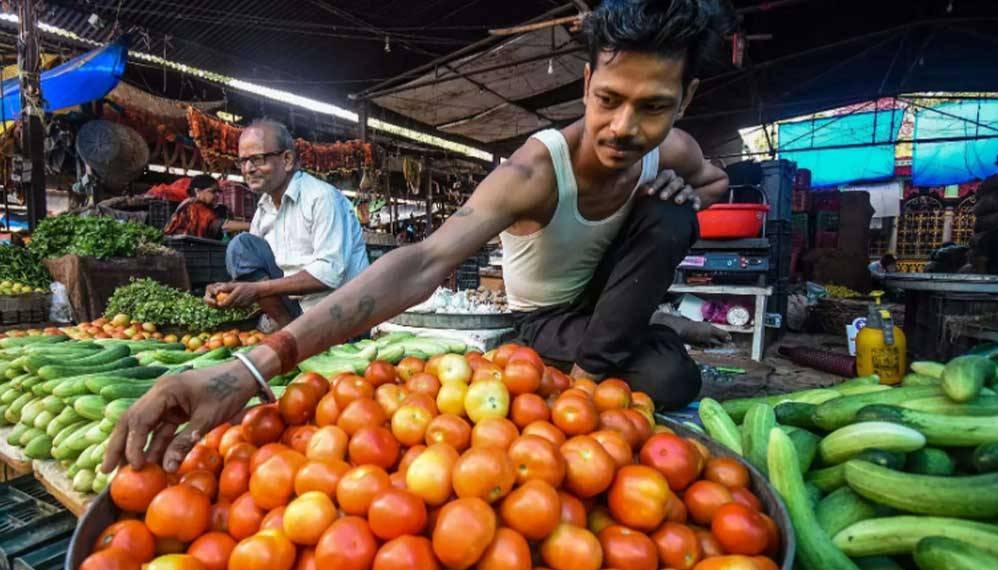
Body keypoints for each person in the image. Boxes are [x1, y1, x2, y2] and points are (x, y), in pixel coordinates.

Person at [103, 0, 734, 474]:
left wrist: (677, 192)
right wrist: (249, 368)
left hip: (604, 307)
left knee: (672, 215)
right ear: (587, 82)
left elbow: (717, 182)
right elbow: (423, 262)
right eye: (609, 99)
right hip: (546, 320)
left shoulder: (673, 150)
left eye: (653, 106)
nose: (623, 127)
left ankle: (599, 371)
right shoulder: (535, 172)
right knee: (670, 379)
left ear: (685, 99)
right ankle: (615, 360)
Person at [203, 119, 370, 329]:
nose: (248, 169)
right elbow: (255, 276)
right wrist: (226, 289)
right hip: (298, 310)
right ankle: (290, 330)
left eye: (257, 159)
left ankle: (295, 334)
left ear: (287, 160)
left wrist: (258, 290)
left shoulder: (322, 198)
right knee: (242, 247)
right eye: (243, 161)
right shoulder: (263, 211)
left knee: (244, 247)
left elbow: (329, 274)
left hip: (340, 313)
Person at [163, 175, 227, 239]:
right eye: (213, 191)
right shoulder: (193, 206)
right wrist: (230, 225)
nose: (217, 195)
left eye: (218, 192)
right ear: (197, 191)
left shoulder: (189, 203)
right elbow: (213, 222)